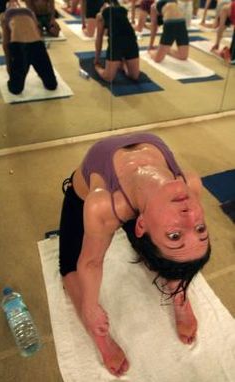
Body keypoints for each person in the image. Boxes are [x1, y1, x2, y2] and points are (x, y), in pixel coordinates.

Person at [59, 132, 211, 377]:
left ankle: (180, 298)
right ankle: (98, 332)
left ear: (141, 226)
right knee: (71, 269)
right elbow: (91, 261)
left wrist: (91, 307)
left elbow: (91, 263)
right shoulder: (189, 186)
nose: (190, 216)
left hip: (140, 204)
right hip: (88, 197)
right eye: (200, 229)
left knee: (171, 259)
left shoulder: (113, 207)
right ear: (140, 226)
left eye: (176, 235)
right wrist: (90, 309)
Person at [0, 2, 57, 94]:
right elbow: (38, 32)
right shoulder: (30, 13)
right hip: (34, 46)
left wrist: (9, 65)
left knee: (16, 89)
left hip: (22, 47)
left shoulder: (5, 15)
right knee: (51, 85)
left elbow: (6, 43)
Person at [94, 0, 140, 82]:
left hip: (130, 40)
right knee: (109, 78)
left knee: (134, 76)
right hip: (116, 42)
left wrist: (97, 58)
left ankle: (121, 62)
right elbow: (100, 37)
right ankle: (99, 67)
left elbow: (99, 38)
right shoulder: (120, 10)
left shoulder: (101, 15)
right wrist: (97, 61)